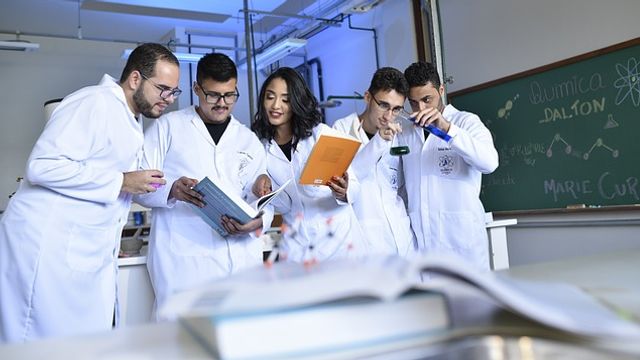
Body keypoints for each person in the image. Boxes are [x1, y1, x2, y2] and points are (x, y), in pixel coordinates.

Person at [0, 43, 179, 342]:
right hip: (45, 251)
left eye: (174, 92)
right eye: (163, 89)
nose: (169, 99)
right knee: (35, 343)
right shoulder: (94, 103)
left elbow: (111, 184)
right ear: (135, 79)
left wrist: (167, 188)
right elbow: (42, 166)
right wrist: (122, 181)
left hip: (77, 253)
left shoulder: (129, 119)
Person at [133, 53, 271, 316]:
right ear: (196, 89)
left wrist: (259, 220)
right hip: (185, 266)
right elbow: (138, 184)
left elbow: (263, 199)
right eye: (213, 95)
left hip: (241, 263)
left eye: (230, 95)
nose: (222, 103)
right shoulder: (168, 127)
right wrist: (172, 190)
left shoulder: (247, 139)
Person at [251, 67, 367, 262]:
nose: (276, 105)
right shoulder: (261, 149)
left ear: (296, 102)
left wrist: (344, 190)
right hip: (297, 250)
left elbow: (354, 187)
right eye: (270, 97)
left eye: (285, 99)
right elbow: (279, 208)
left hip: (340, 246)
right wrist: (261, 189)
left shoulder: (320, 135)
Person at [399, 61, 499, 270]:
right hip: (423, 246)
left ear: (441, 90)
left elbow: (489, 163)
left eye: (427, 99)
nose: (421, 109)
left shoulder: (466, 122)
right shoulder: (406, 132)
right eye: (414, 103)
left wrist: (447, 128)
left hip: (462, 244)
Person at [332, 67, 416, 256]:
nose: (388, 116)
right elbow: (344, 179)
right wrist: (378, 142)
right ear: (368, 97)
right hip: (366, 244)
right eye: (384, 105)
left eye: (396, 109)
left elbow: (401, 188)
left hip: (403, 240)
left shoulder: (398, 134)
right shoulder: (341, 130)